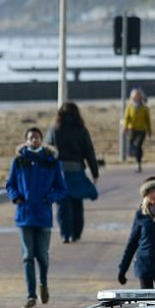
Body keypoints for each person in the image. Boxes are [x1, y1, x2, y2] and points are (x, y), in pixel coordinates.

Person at [5, 126, 67, 308]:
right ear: (26, 140)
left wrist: (49, 199)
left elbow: (61, 189)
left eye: (37, 137)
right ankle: (31, 295)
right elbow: (10, 184)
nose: (34, 140)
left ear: (42, 140)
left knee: (42, 255)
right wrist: (15, 196)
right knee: (27, 256)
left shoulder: (51, 161)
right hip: (24, 215)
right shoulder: (19, 161)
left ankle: (44, 284)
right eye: (31, 137)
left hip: (43, 215)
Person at [45, 101, 100, 244]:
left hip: (59, 171)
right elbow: (89, 152)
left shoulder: (54, 130)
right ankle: (76, 233)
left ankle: (65, 234)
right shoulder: (81, 130)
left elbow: (47, 152)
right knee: (77, 203)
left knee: (62, 204)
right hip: (77, 170)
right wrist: (95, 172)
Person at [123, 87, 152, 172]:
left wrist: (149, 130)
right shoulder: (129, 107)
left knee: (138, 145)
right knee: (132, 146)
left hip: (142, 130)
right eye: (134, 96)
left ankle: (139, 163)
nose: (136, 98)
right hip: (132, 129)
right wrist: (124, 127)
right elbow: (126, 118)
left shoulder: (144, 108)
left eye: (137, 96)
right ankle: (135, 156)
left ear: (140, 97)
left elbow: (148, 120)